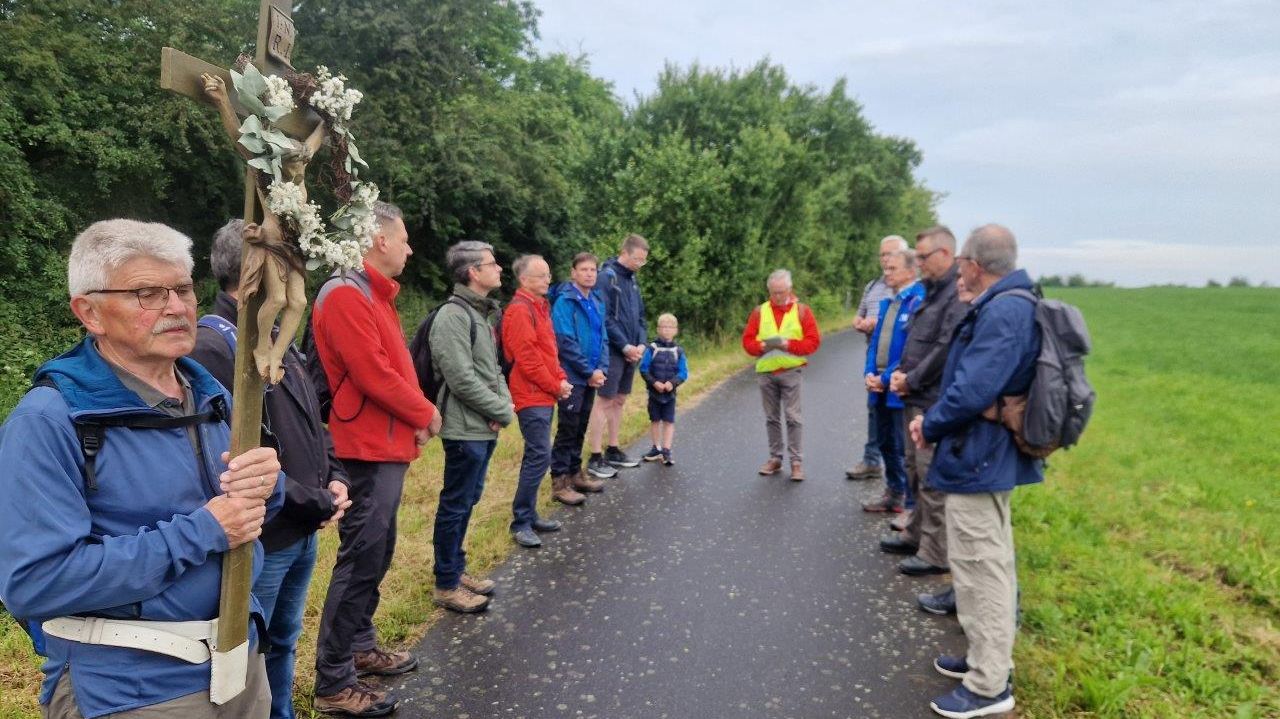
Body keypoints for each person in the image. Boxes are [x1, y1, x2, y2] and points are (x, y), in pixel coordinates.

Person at [0, 219, 283, 718]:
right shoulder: (48, 421)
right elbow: (36, 582)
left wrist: (268, 483)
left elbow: (246, 511)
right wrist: (202, 531)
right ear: (89, 312)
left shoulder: (211, 394)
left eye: (182, 289)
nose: (176, 307)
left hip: (239, 665)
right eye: (146, 293)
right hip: (132, 691)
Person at [190, 220, 353, 719]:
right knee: (248, 649)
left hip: (300, 526)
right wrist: (314, 500)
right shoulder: (212, 346)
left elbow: (308, 418)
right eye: (286, 263)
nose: (297, 273)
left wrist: (336, 475)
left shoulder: (275, 332)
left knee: (283, 638)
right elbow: (226, 456)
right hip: (264, 534)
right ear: (255, 270)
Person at [309, 202, 440, 716]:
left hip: (383, 442)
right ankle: (333, 681)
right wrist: (425, 412)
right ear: (379, 240)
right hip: (364, 447)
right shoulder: (346, 293)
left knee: (377, 553)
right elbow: (372, 373)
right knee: (361, 558)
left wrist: (412, 421)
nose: (410, 248)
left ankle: (360, 646)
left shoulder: (372, 293)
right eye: (403, 238)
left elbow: (394, 368)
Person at [908, 224, 1042, 719]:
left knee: (982, 568)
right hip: (984, 455)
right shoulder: (1012, 303)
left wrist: (930, 423)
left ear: (975, 265)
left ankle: (989, 685)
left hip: (979, 457)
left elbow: (971, 389)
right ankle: (985, 658)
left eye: (963, 259)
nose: (960, 267)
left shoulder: (1004, 310)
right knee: (986, 565)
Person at [429, 241, 515, 612]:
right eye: (492, 264)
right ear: (472, 272)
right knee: (456, 504)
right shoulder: (453, 315)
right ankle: (446, 585)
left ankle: (455, 569)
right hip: (464, 429)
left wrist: (503, 404)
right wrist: (501, 410)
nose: (500, 269)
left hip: (482, 425)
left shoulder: (480, 314)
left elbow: (492, 369)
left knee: (467, 501)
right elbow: (460, 378)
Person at [880, 226, 968, 579]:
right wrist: (900, 374)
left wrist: (911, 379)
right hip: (914, 395)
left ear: (945, 255)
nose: (918, 263)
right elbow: (917, 341)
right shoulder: (931, 291)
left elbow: (945, 348)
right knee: (913, 469)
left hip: (932, 399)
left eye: (923, 257)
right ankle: (915, 534)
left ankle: (935, 552)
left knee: (930, 475)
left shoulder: (955, 294)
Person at [502, 254, 574, 549]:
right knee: (539, 455)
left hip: (543, 393)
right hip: (530, 395)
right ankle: (521, 522)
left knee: (538, 455)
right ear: (524, 280)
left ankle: (530, 515)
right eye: (541, 275)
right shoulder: (520, 310)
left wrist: (560, 378)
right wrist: (556, 385)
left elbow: (549, 351)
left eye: (548, 275)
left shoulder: (539, 307)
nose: (548, 279)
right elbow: (528, 360)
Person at [860, 250, 926, 515]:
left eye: (892, 269)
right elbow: (875, 343)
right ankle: (894, 492)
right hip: (879, 387)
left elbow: (911, 350)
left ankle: (910, 502)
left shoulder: (918, 301)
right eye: (885, 268)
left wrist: (886, 378)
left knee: (903, 447)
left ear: (910, 271)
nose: (886, 273)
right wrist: (869, 373)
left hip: (898, 389)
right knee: (885, 441)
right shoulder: (889, 303)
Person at [741, 268, 822, 481]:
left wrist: (788, 344)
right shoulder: (760, 312)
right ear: (769, 290)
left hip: (791, 371)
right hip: (766, 372)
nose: (777, 296)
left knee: (793, 417)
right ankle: (775, 458)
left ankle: (796, 462)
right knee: (771, 418)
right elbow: (747, 342)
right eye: (774, 292)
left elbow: (813, 342)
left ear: (790, 289)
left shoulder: (802, 311)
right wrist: (761, 346)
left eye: (781, 292)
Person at [548, 253, 610, 504]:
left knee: (581, 426)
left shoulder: (596, 300)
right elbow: (565, 342)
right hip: (573, 376)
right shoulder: (565, 301)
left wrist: (602, 369)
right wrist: (588, 371)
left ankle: (576, 473)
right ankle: (559, 481)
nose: (589, 274)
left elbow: (603, 338)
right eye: (584, 269)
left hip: (592, 377)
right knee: (568, 428)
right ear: (573, 273)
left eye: (593, 270)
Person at [586, 233, 649, 478]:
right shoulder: (606, 277)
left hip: (632, 352)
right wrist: (624, 346)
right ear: (624, 253)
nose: (640, 264)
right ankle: (595, 456)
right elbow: (604, 318)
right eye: (637, 259)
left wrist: (641, 344)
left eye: (643, 260)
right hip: (612, 351)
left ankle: (613, 449)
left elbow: (641, 317)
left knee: (620, 400)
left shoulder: (632, 280)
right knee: (604, 401)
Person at [847, 235, 910, 480]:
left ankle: (903, 485)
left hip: (898, 365)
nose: (885, 260)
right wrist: (861, 323)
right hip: (874, 355)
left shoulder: (911, 292)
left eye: (890, 255)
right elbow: (859, 314)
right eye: (882, 255)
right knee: (875, 413)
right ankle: (873, 461)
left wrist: (878, 324)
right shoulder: (873, 286)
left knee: (898, 425)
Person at [638, 313, 689, 466]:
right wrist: (654, 383)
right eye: (664, 327)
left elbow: (683, 373)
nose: (667, 330)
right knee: (654, 420)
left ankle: (666, 450)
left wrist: (672, 383)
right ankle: (656, 448)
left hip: (670, 394)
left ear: (676, 330)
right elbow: (643, 369)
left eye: (670, 327)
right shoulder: (652, 349)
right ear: (658, 329)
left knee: (669, 421)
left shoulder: (678, 351)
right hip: (654, 393)